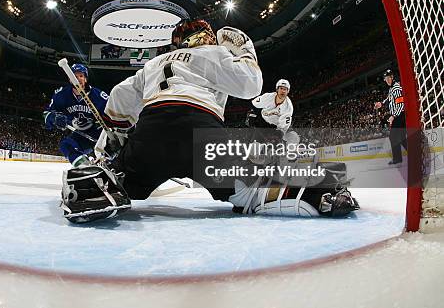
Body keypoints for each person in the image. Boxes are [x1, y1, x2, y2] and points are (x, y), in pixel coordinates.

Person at [61, 23, 359, 223]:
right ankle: (322, 193)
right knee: (248, 191)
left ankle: (95, 187)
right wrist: (244, 48)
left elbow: (119, 97)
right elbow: (251, 85)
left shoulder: (152, 64)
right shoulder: (212, 52)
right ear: (201, 37)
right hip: (202, 131)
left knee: (123, 184)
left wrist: (117, 139)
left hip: (151, 133)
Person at [44, 64, 108, 167]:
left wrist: (105, 123)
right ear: (70, 79)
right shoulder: (61, 95)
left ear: (86, 79)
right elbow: (46, 114)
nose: (78, 79)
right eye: (75, 76)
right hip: (81, 135)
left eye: (81, 76)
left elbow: (112, 114)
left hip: (101, 135)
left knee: (112, 155)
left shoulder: (99, 96)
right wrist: (54, 118)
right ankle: (85, 167)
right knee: (66, 145)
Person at [374, 69, 407, 165]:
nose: (386, 80)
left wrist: (394, 116)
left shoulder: (396, 88)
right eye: (385, 79)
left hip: (399, 116)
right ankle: (413, 154)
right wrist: (381, 103)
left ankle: (398, 158)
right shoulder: (391, 88)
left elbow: (401, 104)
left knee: (393, 137)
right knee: (401, 138)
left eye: (388, 78)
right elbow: (388, 99)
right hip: (398, 116)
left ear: (392, 77)